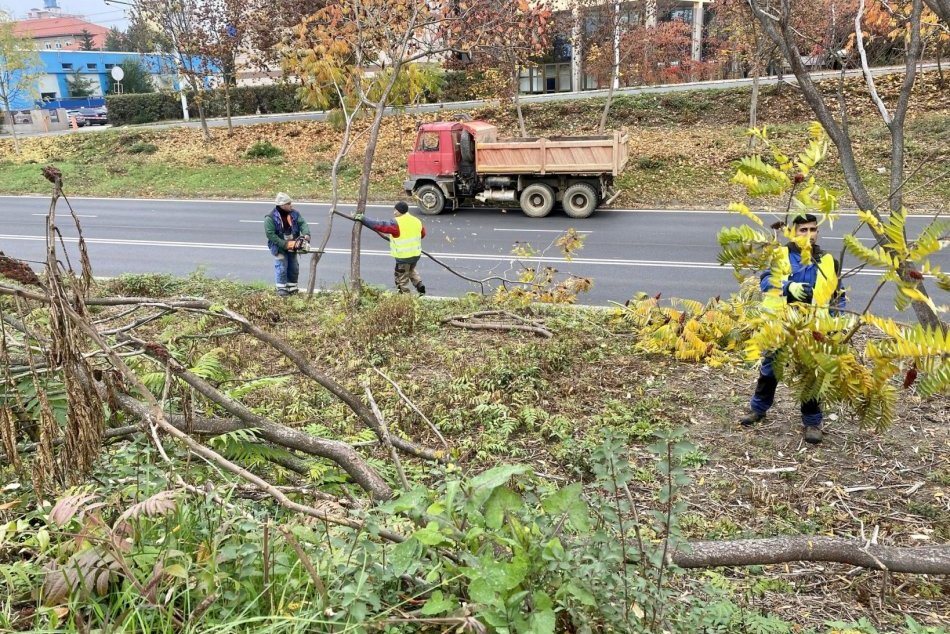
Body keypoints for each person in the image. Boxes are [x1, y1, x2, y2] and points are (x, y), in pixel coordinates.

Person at [739, 213, 846, 445]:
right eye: (803, 230)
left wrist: (838, 324)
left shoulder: (828, 261)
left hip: (813, 327)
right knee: (770, 369)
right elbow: (766, 282)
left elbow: (838, 296)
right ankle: (758, 410)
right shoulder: (781, 255)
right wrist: (789, 287)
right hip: (781, 324)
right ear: (793, 232)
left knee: (811, 373)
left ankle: (812, 422)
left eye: (813, 229)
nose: (809, 234)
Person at [354, 201, 427, 295]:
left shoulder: (396, 223)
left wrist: (363, 219)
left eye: (395, 210)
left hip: (403, 257)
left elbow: (380, 225)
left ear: (400, 211)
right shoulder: (416, 221)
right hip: (416, 255)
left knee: (401, 278)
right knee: (410, 270)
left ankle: (405, 297)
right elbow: (422, 234)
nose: (394, 212)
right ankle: (419, 284)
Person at [264, 192, 311, 296]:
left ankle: (292, 288)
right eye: (289, 203)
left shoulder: (294, 213)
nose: (291, 205)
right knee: (281, 266)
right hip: (278, 247)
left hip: (292, 245)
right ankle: (281, 289)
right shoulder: (270, 218)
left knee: (294, 267)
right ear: (282, 205)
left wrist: (306, 234)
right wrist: (284, 244)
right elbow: (270, 235)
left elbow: (302, 223)